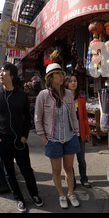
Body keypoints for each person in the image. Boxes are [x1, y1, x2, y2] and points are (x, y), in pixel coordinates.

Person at [0, 62, 43, 212]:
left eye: (4, 71)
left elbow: (27, 117)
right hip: (3, 142)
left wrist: (25, 136)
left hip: (19, 141)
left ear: (11, 75)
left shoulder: (21, 96)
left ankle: (34, 194)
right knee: (9, 173)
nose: (1, 73)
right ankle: (19, 198)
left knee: (26, 171)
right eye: (0, 71)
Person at [34, 63, 80, 209]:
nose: (62, 76)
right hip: (52, 140)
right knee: (56, 170)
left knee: (69, 168)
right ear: (50, 78)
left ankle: (71, 193)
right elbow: (37, 118)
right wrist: (43, 138)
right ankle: (61, 194)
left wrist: (77, 132)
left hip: (69, 137)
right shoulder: (43, 95)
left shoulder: (68, 94)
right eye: (58, 74)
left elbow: (73, 115)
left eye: (62, 73)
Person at [66, 73, 91, 188]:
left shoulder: (81, 98)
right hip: (68, 133)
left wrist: (87, 132)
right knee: (69, 161)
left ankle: (84, 178)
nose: (73, 83)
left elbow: (85, 117)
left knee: (81, 159)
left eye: (75, 81)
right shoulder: (63, 98)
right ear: (66, 83)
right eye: (70, 81)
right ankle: (72, 181)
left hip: (80, 132)